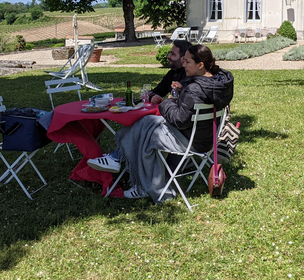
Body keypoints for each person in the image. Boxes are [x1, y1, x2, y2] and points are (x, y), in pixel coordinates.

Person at [89, 44, 234, 201]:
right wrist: (180, 95)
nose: (184, 64)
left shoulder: (196, 88)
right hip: (206, 138)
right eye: (183, 60)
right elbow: (191, 107)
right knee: (148, 123)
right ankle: (119, 160)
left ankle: (146, 185)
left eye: (188, 62)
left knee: (147, 135)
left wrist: (167, 103)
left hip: (190, 141)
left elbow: (179, 120)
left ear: (200, 65)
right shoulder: (220, 83)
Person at [148, 39, 192, 105]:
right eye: (170, 53)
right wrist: (153, 96)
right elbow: (157, 91)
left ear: (183, 58)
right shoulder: (172, 73)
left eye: (173, 54)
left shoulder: (191, 74)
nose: (168, 56)